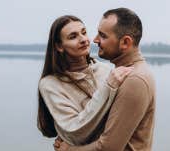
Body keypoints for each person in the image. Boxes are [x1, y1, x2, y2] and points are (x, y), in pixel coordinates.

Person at [55, 8, 156, 151]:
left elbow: (109, 148)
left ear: (125, 43)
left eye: (102, 35)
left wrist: (69, 150)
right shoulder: (123, 75)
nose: (95, 40)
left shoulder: (135, 80)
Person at [37, 15, 133, 146]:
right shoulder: (50, 84)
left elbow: (118, 121)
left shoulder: (106, 70)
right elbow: (75, 132)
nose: (83, 39)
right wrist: (108, 87)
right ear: (59, 46)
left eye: (84, 32)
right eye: (73, 36)